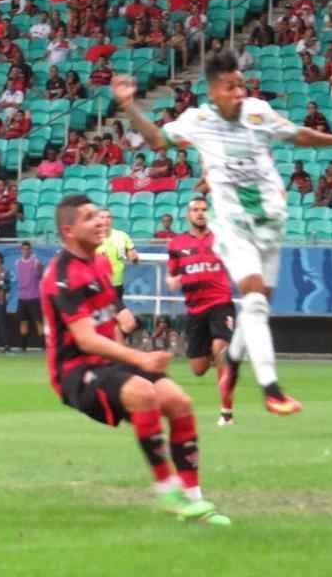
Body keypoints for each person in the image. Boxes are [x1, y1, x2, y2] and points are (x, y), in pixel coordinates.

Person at [112, 51, 332, 415]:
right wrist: (130, 107)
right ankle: (272, 389)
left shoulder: (259, 112)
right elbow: (158, 141)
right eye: (231, 87)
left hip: (271, 223)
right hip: (232, 225)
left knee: (258, 311)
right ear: (213, 91)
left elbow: (298, 135)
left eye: (241, 84)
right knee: (255, 301)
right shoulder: (197, 120)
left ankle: (234, 364)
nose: (239, 92)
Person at [40, 195, 229, 524]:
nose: (100, 221)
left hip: (106, 361)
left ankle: (194, 501)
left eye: (100, 215)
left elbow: (108, 318)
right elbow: (85, 338)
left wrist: (123, 325)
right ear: (69, 231)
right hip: (74, 370)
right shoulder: (61, 276)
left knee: (179, 401)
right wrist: (138, 359)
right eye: (89, 218)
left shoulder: (100, 262)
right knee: (143, 392)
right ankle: (168, 490)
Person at [167, 196, 237, 426]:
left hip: (220, 302)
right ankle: (217, 356)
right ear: (188, 214)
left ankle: (226, 413)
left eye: (204, 209)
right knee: (198, 369)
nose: (200, 213)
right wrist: (174, 281)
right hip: (195, 308)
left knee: (221, 348)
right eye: (195, 210)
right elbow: (172, 276)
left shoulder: (221, 238)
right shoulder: (176, 244)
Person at [96, 209, 140, 338]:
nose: (105, 220)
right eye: (102, 217)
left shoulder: (121, 236)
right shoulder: (93, 238)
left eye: (108, 217)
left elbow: (132, 253)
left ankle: (109, 351)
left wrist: (133, 256)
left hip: (118, 286)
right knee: (128, 323)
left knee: (113, 325)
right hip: (101, 287)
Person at [15, 241, 44, 351]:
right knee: (23, 322)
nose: (25, 251)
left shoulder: (36, 262)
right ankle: (23, 347)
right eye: (24, 249)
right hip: (22, 298)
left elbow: (41, 275)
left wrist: (39, 268)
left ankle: (44, 346)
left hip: (34, 297)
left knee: (38, 322)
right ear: (21, 250)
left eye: (28, 249)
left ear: (30, 250)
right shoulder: (17, 263)